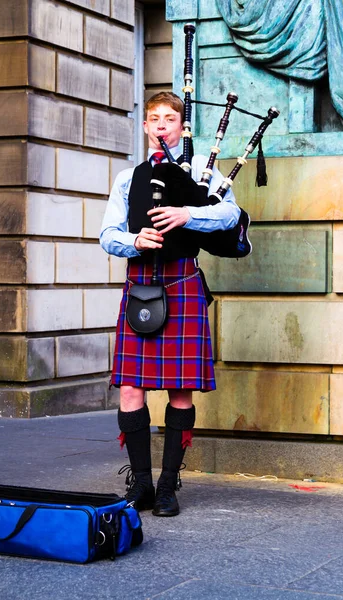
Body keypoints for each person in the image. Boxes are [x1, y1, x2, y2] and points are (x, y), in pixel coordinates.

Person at [100, 92, 240, 517]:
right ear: (145, 126)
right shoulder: (128, 178)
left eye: (170, 118)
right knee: (130, 387)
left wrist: (187, 214)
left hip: (182, 282)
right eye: (154, 118)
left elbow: (231, 215)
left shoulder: (203, 172)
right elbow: (107, 233)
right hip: (141, 283)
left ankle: (167, 486)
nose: (161, 124)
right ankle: (141, 484)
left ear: (181, 126)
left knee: (180, 390)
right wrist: (133, 240)